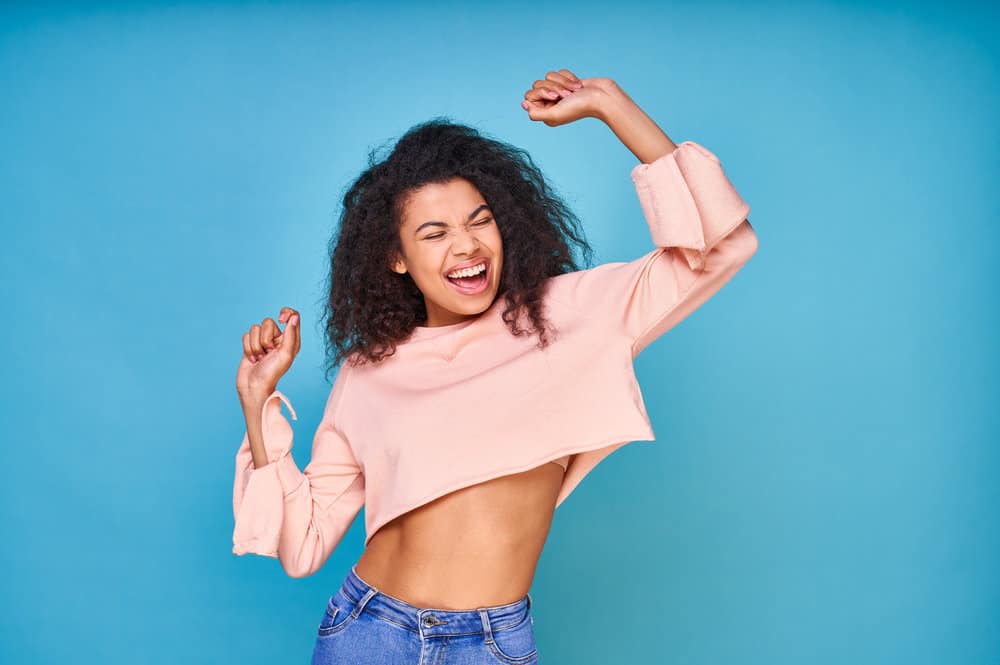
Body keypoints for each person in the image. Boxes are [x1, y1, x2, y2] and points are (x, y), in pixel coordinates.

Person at [232, 68, 759, 664]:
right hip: (367, 632)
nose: (467, 246)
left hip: (490, 644)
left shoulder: (570, 315)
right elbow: (301, 549)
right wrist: (257, 403)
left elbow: (723, 246)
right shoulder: (369, 370)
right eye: (434, 234)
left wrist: (612, 106)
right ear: (396, 259)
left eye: (479, 220)